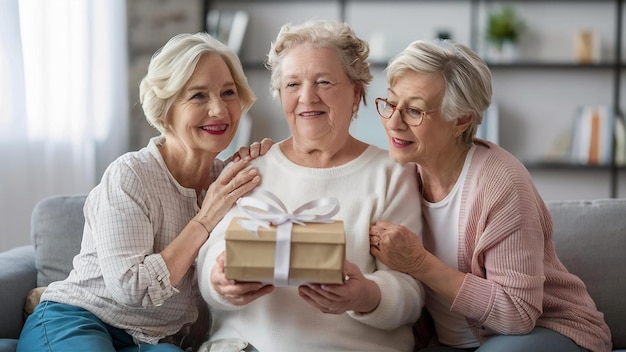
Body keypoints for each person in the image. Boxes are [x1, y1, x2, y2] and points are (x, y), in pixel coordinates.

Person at [17, 32, 272, 352]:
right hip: (82, 317)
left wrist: (274, 163)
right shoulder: (131, 175)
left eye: (228, 92)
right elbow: (132, 288)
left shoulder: (230, 182)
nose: (219, 110)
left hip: (155, 340)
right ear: (166, 109)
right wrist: (205, 219)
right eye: (198, 96)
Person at [369, 39, 612, 352]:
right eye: (390, 104)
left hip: (543, 332)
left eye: (414, 111)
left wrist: (418, 262)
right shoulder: (398, 176)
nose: (393, 122)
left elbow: (517, 315)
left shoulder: (500, 182)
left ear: (462, 120)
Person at [196, 20, 424, 352]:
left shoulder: (390, 174)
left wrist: (366, 296)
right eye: (292, 84)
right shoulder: (248, 167)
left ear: (356, 93)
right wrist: (219, 283)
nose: (306, 97)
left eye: (323, 82)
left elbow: (411, 291)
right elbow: (210, 258)